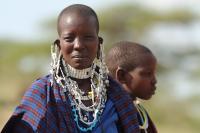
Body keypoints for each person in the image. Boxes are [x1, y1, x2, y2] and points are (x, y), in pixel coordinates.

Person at [1, 4, 140, 133]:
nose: (78, 45)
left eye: (88, 37)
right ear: (58, 45)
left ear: (99, 43)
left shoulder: (117, 95)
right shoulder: (42, 93)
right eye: (69, 38)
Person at [106, 41, 158, 133]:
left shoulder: (138, 111)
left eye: (154, 74)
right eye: (147, 74)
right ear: (122, 75)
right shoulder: (109, 112)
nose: (154, 81)